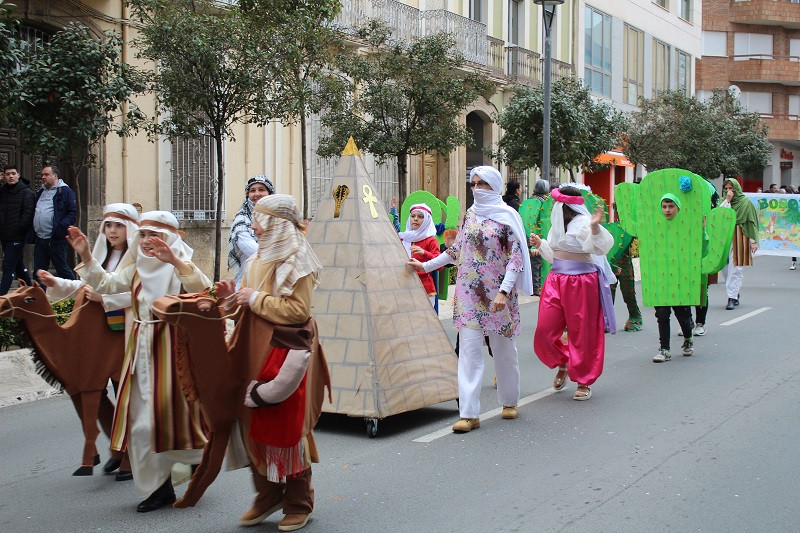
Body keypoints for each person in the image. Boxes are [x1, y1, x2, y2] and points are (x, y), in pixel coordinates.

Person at [66, 211, 211, 512]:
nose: (146, 242)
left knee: (176, 418)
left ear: (169, 238)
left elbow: (202, 287)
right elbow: (106, 284)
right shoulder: (135, 267)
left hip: (172, 348)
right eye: (142, 235)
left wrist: (174, 260)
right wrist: (86, 256)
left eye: (153, 235)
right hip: (140, 347)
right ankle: (160, 488)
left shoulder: (179, 265)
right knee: (141, 422)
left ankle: (197, 463)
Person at [214, 194, 325, 532]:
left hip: (284, 352)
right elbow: (244, 304)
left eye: (261, 220)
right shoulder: (257, 260)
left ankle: (297, 501)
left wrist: (255, 298)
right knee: (249, 419)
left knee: (285, 426)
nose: (254, 227)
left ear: (278, 223)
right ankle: (267, 494)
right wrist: (228, 300)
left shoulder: (298, 260)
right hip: (252, 347)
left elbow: (298, 311)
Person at [409, 166, 532, 433]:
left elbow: (515, 258)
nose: (476, 189)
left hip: (498, 294)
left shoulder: (507, 217)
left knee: (503, 350)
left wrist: (503, 291)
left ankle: (509, 401)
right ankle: (469, 413)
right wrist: (427, 266)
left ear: (495, 186)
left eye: (483, 184)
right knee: (469, 352)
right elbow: (457, 250)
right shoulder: (471, 216)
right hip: (468, 293)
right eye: (473, 184)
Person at [36, 203, 140, 480]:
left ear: (130, 228)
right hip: (98, 336)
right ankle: (117, 451)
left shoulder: (139, 258)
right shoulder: (101, 255)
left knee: (125, 395)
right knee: (95, 393)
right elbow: (86, 287)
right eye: (108, 225)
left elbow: (143, 294)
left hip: (126, 335)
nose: (112, 231)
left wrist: (106, 298)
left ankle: (132, 455)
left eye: (118, 225)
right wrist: (55, 282)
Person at [530, 186, 615, 401]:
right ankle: (564, 361)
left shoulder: (583, 223)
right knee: (544, 330)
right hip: (556, 280)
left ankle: (584, 381)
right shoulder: (557, 226)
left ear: (564, 206)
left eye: (556, 204)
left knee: (583, 332)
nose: (553, 207)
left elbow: (599, 248)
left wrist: (595, 228)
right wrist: (542, 245)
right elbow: (554, 256)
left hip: (582, 282)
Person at [651, 195, 696, 362]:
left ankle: (688, 338)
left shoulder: (687, 226)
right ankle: (664, 349)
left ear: (678, 207)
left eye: (670, 206)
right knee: (662, 313)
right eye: (664, 206)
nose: (667, 210)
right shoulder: (654, 226)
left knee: (682, 313)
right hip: (660, 275)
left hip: (680, 276)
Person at [31, 165, 77, 286]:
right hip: (40, 238)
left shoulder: (65, 191)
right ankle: (40, 300)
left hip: (56, 239)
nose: (43, 177)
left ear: (55, 176)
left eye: (46, 175)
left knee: (62, 269)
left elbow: (72, 214)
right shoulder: (41, 191)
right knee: (39, 272)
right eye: (42, 175)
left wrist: (60, 228)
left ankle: (77, 294)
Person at [228, 175, 274, 288]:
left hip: (274, 278)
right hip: (249, 281)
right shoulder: (241, 219)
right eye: (252, 190)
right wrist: (278, 257)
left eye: (261, 189)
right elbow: (250, 249)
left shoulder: (277, 216)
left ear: (270, 192)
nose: (256, 194)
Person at [720, 178, 758, 310]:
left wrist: (753, 241)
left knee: (736, 268)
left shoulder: (745, 203)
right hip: (724, 237)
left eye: (731, 188)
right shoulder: (723, 201)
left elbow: (751, 222)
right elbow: (719, 216)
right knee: (724, 268)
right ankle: (734, 292)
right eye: (727, 189)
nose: (729, 191)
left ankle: (732, 297)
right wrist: (728, 201)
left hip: (740, 235)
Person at [0, 165, 35, 294]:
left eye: (13, 173)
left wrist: (19, 230)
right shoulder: (3, 191)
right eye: (7, 174)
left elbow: (28, 214)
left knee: (8, 266)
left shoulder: (26, 192)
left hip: (17, 236)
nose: (10, 176)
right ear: (4, 176)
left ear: (18, 175)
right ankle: (31, 291)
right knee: (18, 266)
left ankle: (1, 297)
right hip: (5, 236)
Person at [399, 203, 441, 307]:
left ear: (427, 220)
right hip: (403, 286)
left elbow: (440, 265)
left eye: (420, 217)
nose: (416, 219)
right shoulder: (402, 238)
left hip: (424, 288)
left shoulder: (431, 240)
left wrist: (424, 253)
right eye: (413, 216)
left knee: (424, 321)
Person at [529, 179, 549, 296]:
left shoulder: (528, 202)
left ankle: (533, 287)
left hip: (528, 237)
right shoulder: (545, 203)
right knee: (538, 264)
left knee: (532, 264)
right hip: (540, 237)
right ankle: (537, 287)